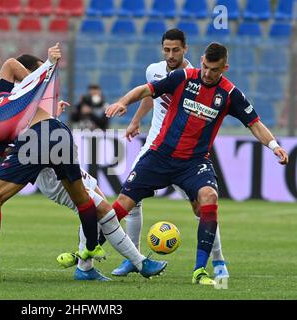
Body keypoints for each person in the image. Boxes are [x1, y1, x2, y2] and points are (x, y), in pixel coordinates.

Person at [0, 44, 167, 281]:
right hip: (47, 170)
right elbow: (16, 143)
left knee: (96, 205)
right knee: (101, 210)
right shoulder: (17, 99)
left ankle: (85, 266)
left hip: (50, 144)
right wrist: (39, 84)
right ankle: (138, 262)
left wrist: (46, 103)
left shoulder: (10, 105)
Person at [105, 42, 289, 285]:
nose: (207, 73)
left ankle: (200, 270)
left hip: (193, 163)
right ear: (201, 59)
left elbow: (254, 123)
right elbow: (146, 90)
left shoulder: (230, 94)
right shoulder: (183, 77)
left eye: (214, 69)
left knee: (208, 197)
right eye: (205, 66)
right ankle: (87, 252)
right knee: (121, 205)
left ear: (225, 67)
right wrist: (123, 102)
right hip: (160, 155)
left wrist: (274, 146)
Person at [112, 29, 229, 279]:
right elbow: (150, 94)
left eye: (176, 50)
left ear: (185, 49)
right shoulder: (154, 70)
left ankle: (218, 260)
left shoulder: (190, 77)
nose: (171, 54)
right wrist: (135, 121)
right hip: (155, 147)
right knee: (132, 201)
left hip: (185, 150)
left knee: (202, 207)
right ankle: (134, 258)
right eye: (166, 49)